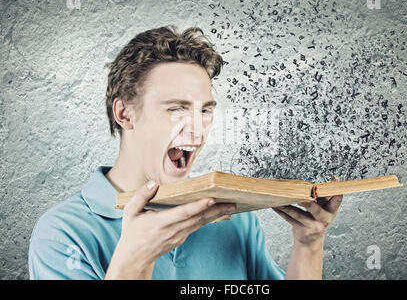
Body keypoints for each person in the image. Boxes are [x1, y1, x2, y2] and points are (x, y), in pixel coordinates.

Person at [29, 25, 342, 280]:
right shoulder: (62, 234)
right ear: (125, 115)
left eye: (205, 110)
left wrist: (309, 243)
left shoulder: (230, 218)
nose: (197, 130)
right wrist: (136, 258)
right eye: (176, 109)